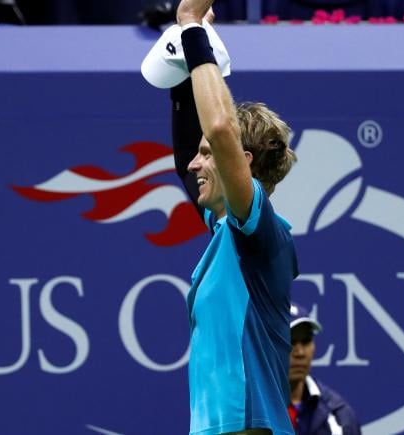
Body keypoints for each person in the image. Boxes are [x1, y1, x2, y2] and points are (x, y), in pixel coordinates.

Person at [143, 1, 299, 433]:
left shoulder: (261, 234)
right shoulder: (227, 235)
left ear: (241, 164)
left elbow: (221, 129)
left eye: (207, 156)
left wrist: (192, 27)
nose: (195, 166)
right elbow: (184, 161)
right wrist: (184, 68)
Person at [288, 303, 361, 435]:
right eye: (290, 341)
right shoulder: (244, 414)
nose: (300, 353)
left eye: (306, 341)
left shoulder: (339, 416)